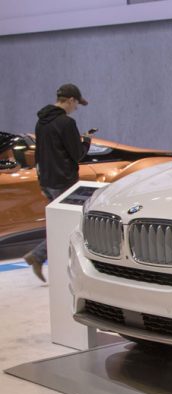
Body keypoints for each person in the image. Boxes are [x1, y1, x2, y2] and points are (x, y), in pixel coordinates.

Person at [24, 84, 92, 282]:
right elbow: (78, 154)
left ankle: (38, 257)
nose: (76, 108)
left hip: (46, 180)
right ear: (70, 100)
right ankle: (44, 260)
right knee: (71, 226)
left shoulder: (41, 122)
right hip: (65, 182)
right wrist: (86, 140)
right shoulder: (66, 123)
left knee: (59, 225)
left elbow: (39, 153)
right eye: (76, 104)